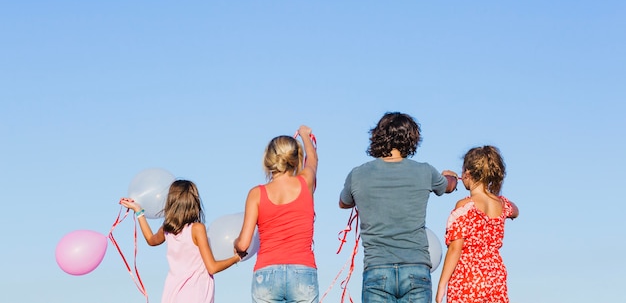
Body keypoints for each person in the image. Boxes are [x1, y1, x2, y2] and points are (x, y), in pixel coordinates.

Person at [339, 112, 458, 303]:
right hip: (416, 268)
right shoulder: (425, 171)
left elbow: (344, 202)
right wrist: (451, 177)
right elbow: (448, 186)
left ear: (378, 137)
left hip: (377, 268)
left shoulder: (358, 174)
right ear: (411, 139)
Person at [234, 125, 319, 303]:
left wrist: (236, 244)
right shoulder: (306, 181)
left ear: (268, 159)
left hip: (266, 272)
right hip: (302, 270)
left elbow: (243, 244)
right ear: (295, 159)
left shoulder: (256, 194)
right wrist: (305, 135)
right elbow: (312, 158)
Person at [119, 180, 241, 303]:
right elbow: (212, 268)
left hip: (172, 294)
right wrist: (237, 258)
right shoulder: (197, 229)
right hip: (195, 295)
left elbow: (151, 240)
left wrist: (138, 211)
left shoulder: (167, 229)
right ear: (194, 202)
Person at [435, 146, 519, 303]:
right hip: (495, 276)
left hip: (469, 276)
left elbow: (455, 248)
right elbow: (515, 210)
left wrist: (441, 285)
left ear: (467, 173)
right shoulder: (502, 204)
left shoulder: (465, 206)